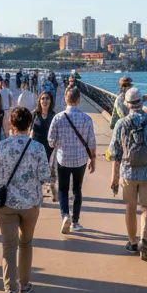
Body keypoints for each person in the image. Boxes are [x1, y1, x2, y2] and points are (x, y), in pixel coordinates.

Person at [0, 106, 50, 293]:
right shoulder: (37, 148)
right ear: (29, 124)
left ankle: (9, 291)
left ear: (11, 124)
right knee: (26, 243)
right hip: (30, 204)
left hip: (6, 204)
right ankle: (24, 284)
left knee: (8, 247)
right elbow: (45, 176)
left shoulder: (1, 147)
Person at [109, 87, 147, 262]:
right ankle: (144, 239)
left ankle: (133, 242)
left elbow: (115, 152)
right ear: (142, 102)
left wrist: (114, 176)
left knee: (130, 207)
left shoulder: (121, 123)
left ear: (127, 104)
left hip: (128, 172)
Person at [48, 86, 96, 234]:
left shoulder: (58, 117)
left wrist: (59, 144)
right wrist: (93, 160)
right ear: (79, 100)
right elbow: (92, 142)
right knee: (77, 190)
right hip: (80, 160)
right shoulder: (87, 118)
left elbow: (50, 141)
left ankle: (65, 215)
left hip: (63, 158)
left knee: (63, 188)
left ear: (66, 99)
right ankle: (75, 221)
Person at [30, 90, 58, 201]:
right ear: (39, 101)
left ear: (50, 101)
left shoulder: (54, 115)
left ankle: (54, 192)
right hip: (36, 147)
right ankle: (37, 193)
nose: (45, 101)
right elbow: (30, 130)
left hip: (50, 147)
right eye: (43, 98)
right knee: (36, 171)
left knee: (51, 172)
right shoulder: (34, 114)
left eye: (47, 98)